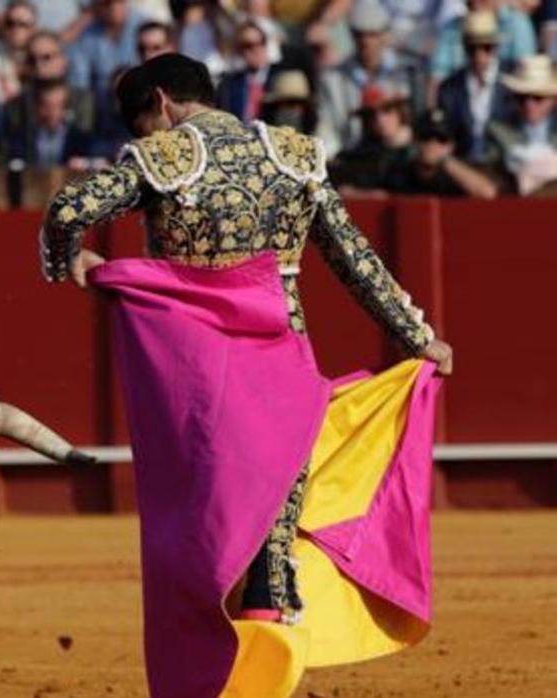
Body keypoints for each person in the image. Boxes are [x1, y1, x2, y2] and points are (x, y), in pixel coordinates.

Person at [38, 53, 452, 697]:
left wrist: (74, 265)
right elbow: (354, 260)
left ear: (161, 102)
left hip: (196, 379)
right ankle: (267, 674)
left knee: (199, 529)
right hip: (283, 367)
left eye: (141, 121)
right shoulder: (293, 154)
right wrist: (419, 337)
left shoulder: (166, 158)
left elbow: (67, 211)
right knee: (272, 537)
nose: (144, 137)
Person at [317, 0, 419, 158]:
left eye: (373, 34)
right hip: (351, 157)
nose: (366, 42)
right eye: (359, 35)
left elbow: (414, 121)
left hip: (399, 156)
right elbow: (327, 129)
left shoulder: (407, 73)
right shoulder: (332, 79)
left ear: (385, 35)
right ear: (351, 35)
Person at [0, 31, 96, 153]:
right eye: (32, 60)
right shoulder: (14, 108)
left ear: (63, 60)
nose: (39, 65)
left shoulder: (86, 102)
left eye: (46, 57)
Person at [436, 10, 513, 162]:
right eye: (472, 48)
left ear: (495, 48)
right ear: (465, 48)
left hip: (505, 164)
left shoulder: (512, 81)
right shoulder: (450, 88)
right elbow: (447, 133)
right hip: (465, 163)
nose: (479, 55)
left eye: (486, 47)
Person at [385, 108, 499, 197]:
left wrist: (447, 162)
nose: (433, 144)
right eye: (426, 137)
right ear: (415, 141)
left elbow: (487, 193)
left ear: (451, 146)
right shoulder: (400, 173)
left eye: (441, 139)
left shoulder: (458, 174)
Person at [484, 55, 557, 194]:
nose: (529, 105)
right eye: (521, 98)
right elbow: (492, 175)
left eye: (537, 98)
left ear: (553, 100)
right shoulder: (497, 131)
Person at [329, 81, 416, 194]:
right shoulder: (358, 155)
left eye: (387, 110)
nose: (380, 119)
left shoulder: (419, 149)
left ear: (401, 112)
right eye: (371, 114)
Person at [429, 0, 538, 85]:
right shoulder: (452, 27)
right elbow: (438, 75)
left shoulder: (517, 23)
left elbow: (525, 72)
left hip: (505, 102)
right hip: (458, 102)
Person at [1, 78, 94, 167]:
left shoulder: (78, 138)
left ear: (66, 108)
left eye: (59, 106)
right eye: (46, 106)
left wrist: (84, 163)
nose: (53, 112)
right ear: (36, 107)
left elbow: (94, 162)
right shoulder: (23, 137)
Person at [0, 0, 38, 105]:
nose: (15, 29)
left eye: (22, 24)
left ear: (33, 29)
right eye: (10, 23)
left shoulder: (42, 53)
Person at [260, 69, 318, 134]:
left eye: (296, 103)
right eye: (287, 103)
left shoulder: (319, 140)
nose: (291, 110)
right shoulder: (259, 139)